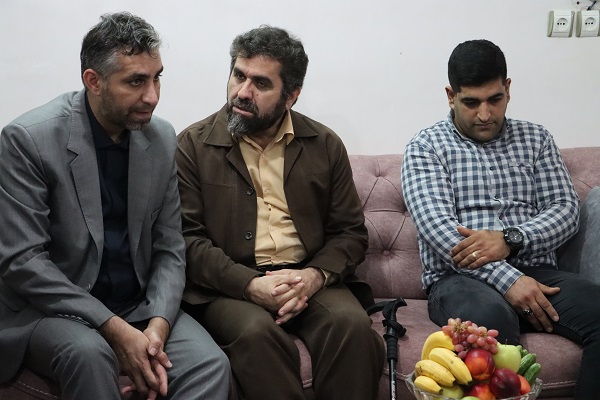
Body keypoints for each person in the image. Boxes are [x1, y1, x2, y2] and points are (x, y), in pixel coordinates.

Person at [0, 12, 230, 400]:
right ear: (94, 81)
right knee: (89, 355)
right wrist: (112, 327)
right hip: (50, 309)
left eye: (157, 78)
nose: (152, 96)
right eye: (136, 81)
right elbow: (23, 261)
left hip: (136, 305)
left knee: (209, 364)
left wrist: (158, 325)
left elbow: (170, 247)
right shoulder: (28, 140)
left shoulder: (161, 137)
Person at [176, 26, 384, 400]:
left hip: (304, 276)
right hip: (230, 287)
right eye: (239, 75)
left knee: (351, 327)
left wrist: (313, 277)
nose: (243, 92)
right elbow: (188, 240)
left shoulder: (324, 144)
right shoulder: (192, 145)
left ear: (291, 95)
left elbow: (350, 233)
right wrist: (250, 284)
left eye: (261, 83)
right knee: (256, 334)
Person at [401, 39, 600, 398]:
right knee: (490, 323)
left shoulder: (537, 139)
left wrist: (510, 240)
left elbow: (565, 210)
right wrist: (510, 280)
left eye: (495, 99)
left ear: (508, 89)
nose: (485, 114)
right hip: (459, 280)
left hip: (538, 272)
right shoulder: (426, 147)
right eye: (471, 102)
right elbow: (441, 231)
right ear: (451, 96)